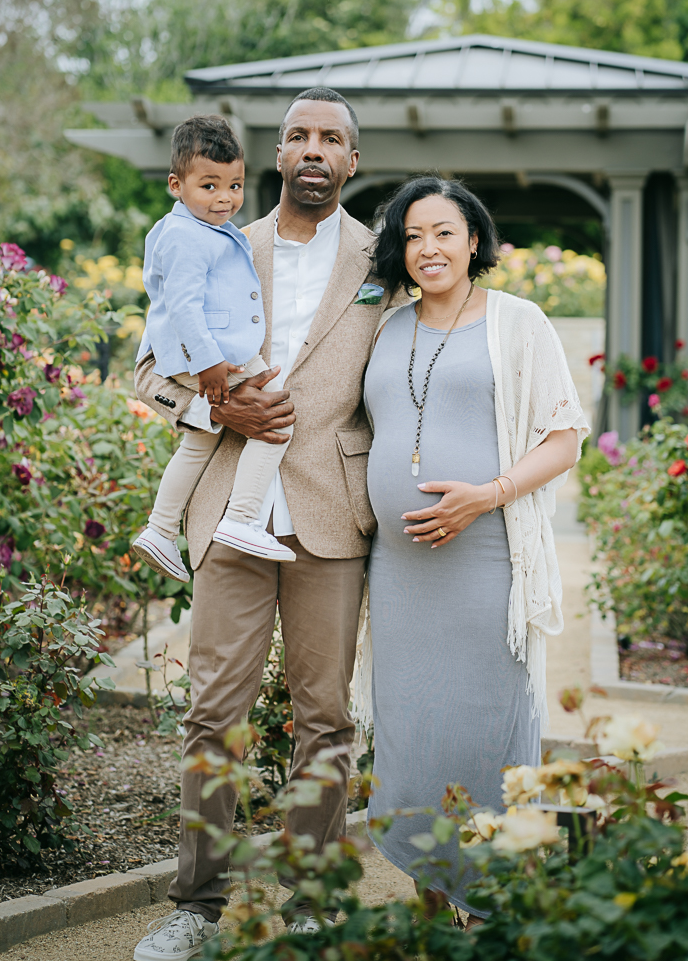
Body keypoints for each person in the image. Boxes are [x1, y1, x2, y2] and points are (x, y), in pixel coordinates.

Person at [131, 88, 409, 961]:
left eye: (331, 138)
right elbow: (148, 369)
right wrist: (222, 414)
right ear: (275, 158)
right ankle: (197, 905)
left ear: (352, 162)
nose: (314, 149)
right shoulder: (212, 237)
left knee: (325, 718)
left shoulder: (384, 258)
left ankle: (317, 896)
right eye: (298, 136)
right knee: (215, 713)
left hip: (332, 512)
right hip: (227, 513)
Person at [357, 175, 589, 926]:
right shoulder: (386, 326)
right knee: (411, 729)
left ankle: (489, 901)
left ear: (475, 242)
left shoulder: (518, 323)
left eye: (444, 233)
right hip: (399, 579)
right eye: (414, 235)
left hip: (485, 564)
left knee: (486, 728)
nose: (429, 248)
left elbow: (563, 439)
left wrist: (484, 494)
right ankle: (432, 892)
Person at [131, 114, 296, 581]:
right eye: (209, 186)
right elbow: (183, 306)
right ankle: (243, 518)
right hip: (213, 357)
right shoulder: (184, 235)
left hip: (212, 354)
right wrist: (209, 365)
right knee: (277, 421)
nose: (225, 198)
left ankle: (160, 530)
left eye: (235, 185)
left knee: (199, 442)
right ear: (176, 184)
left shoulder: (203, 228)